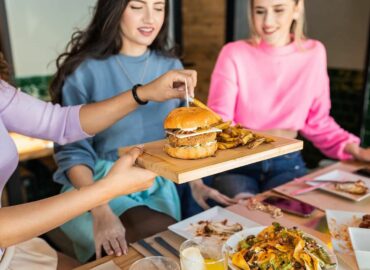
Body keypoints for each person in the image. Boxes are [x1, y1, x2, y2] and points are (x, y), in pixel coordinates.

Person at [0, 52, 195, 269]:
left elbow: (60, 123)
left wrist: (143, 93)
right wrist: (104, 193)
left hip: (11, 249)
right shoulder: (85, 71)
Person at [48, 0, 201, 263]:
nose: (150, 18)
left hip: (158, 183)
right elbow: (73, 153)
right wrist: (101, 210)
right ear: (115, 9)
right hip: (97, 183)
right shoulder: (84, 71)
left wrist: (197, 183)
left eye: (158, 7)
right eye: (137, 6)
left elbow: (181, 140)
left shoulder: (171, 66)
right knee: (165, 245)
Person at [189, 0, 370, 207]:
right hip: (239, 162)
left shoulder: (314, 53)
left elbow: (317, 122)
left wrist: (354, 149)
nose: (268, 21)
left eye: (278, 9)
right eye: (260, 11)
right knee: (244, 214)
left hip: (287, 162)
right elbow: (219, 123)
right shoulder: (234, 53)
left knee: (291, 220)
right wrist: (274, 135)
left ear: (297, 8)